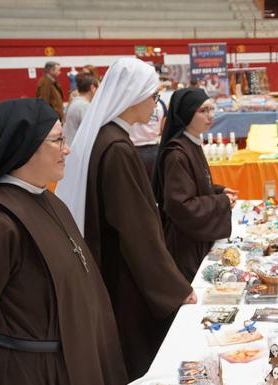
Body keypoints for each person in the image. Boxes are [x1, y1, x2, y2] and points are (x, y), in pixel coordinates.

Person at [56, 58, 196, 381]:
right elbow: (138, 232)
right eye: (153, 95)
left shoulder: (107, 138)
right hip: (125, 274)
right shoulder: (117, 148)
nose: (156, 105)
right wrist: (176, 289)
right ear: (133, 96)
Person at [0, 98, 127, 385]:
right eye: (58, 140)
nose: (67, 149)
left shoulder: (48, 200)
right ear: (24, 145)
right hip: (28, 373)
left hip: (74, 361)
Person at [151, 88, 236, 282]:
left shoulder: (192, 143)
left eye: (211, 109)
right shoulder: (177, 154)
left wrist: (218, 190)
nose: (210, 116)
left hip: (193, 238)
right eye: (203, 111)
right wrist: (221, 202)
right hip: (184, 245)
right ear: (187, 114)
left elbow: (194, 183)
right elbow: (180, 204)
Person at [130, 95, 166, 180]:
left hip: (134, 148)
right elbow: (164, 126)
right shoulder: (160, 104)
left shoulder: (132, 101)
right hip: (153, 149)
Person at [64, 72, 98, 146]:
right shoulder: (84, 106)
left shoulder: (76, 103)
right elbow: (89, 132)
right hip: (76, 148)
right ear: (93, 88)